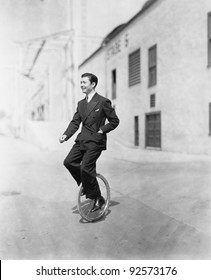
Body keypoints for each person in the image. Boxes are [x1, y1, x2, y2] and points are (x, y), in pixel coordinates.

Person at [59, 73, 119, 212]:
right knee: (68, 162)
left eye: (84, 82)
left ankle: (96, 197)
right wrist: (65, 135)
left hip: (95, 142)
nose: (81, 85)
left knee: (86, 168)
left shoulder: (103, 102)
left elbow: (115, 121)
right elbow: (75, 122)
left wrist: (102, 130)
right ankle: (87, 186)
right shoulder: (81, 104)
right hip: (82, 140)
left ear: (93, 84)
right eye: (80, 82)